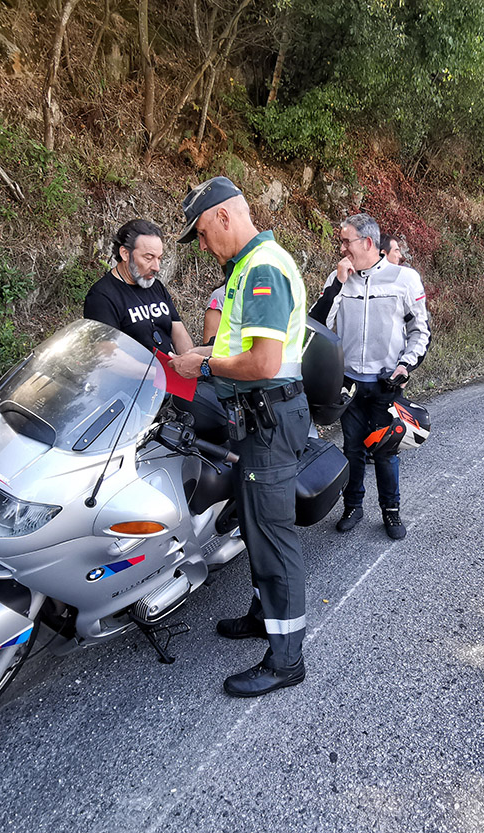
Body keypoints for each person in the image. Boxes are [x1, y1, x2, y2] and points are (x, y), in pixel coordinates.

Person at [169, 176, 311, 699]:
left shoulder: (263, 269)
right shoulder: (246, 268)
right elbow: (239, 348)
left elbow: (263, 363)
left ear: (224, 216)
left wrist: (204, 367)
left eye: (203, 234)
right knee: (254, 525)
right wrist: (200, 356)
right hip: (256, 418)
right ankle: (263, 614)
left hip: (269, 418)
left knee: (272, 533)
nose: (203, 246)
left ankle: (286, 659)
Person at [310, 214, 431, 541]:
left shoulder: (404, 278)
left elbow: (420, 331)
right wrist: (337, 284)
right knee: (352, 449)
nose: (341, 248)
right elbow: (316, 325)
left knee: (385, 452)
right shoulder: (338, 277)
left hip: (385, 383)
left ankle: (391, 511)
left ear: (366, 243)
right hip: (348, 382)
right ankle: (353, 507)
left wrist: (405, 366)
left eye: (345, 241)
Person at [83, 219, 194, 355]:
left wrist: (188, 360)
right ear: (125, 253)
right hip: (133, 368)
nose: (157, 267)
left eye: (159, 258)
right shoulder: (101, 296)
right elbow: (107, 352)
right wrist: (154, 369)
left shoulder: (156, 286)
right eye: (148, 258)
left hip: (170, 366)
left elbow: (179, 332)